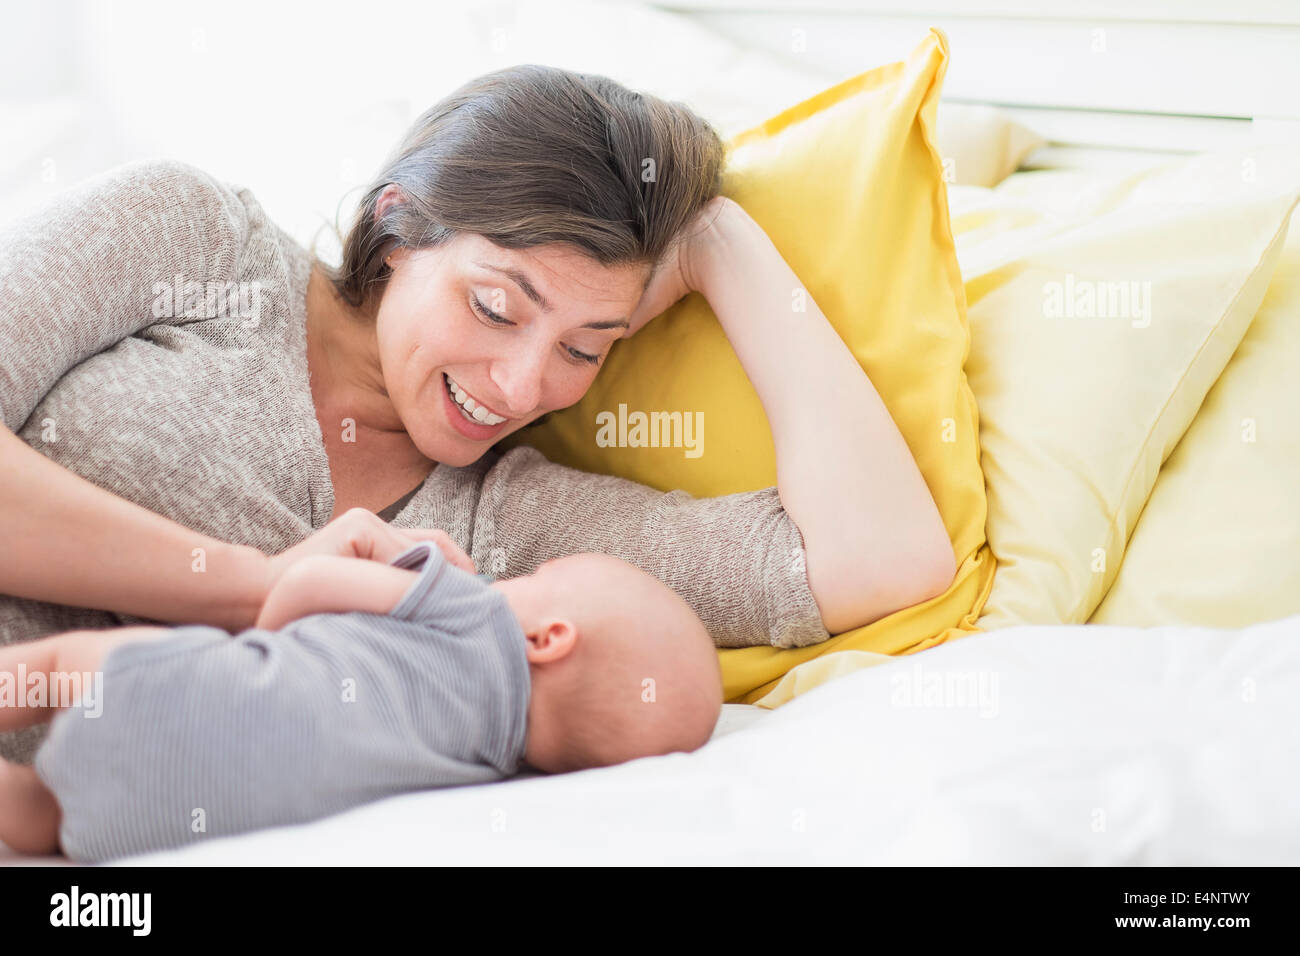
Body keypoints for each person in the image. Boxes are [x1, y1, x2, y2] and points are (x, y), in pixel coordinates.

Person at [0, 64, 955, 766]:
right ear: (397, 222)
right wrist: (249, 588)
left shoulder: (503, 536)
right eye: (497, 306)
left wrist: (717, 242)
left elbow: (883, 561)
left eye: (587, 347)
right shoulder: (197, 241)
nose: (520, 385)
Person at [0, 533, 723, 862]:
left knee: (58, 670)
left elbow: (308, 585)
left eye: (544, 571)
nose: (521, 576)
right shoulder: (484, 777)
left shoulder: (476, 612)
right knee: (42, 818)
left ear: (548, 637)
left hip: (187, 686)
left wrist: (268, 647)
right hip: (153, 831)